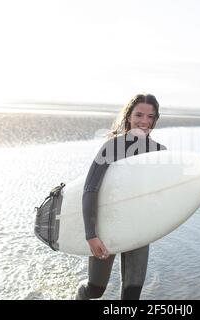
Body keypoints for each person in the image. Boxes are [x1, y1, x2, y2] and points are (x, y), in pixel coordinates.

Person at [74, 93, 167, 300]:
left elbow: (166, 194)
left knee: (132, 296)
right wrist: (91, 234)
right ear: (129, 116)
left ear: (155, 119)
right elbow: (90, 190)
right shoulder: (112, 147)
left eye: (150, 116)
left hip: (140, 232)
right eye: (139, 115)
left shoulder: (160, 153)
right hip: (109, 227)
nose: (144, 121)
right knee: (95, 290)